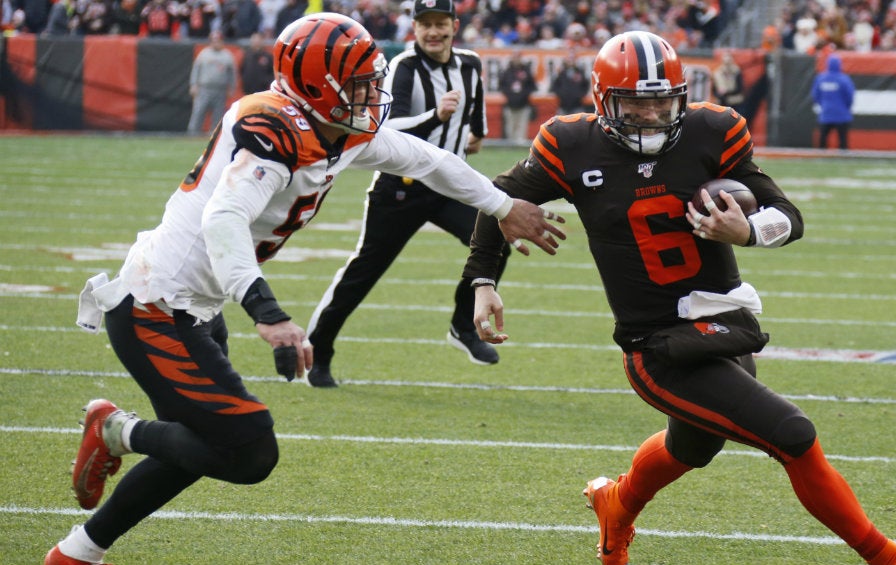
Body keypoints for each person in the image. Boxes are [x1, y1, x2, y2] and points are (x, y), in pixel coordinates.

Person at [44, 13, 563, 565]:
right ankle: (116, 429)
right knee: (247, 450)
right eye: (360, 83)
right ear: (319, 86)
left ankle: (78, 553)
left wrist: (503, 206)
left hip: (195, 303)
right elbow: (222, 220)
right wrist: (268, 313)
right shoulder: (274, 129)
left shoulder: (338, 126)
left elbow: (429, 160)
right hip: (156, 304)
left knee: (201, 443)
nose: (373, 93)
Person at [462, 31, 896, 565]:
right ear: (604, 101)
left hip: (724, 321)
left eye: (661, 102)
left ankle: (615, 504)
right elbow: (499, 201)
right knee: (793, 434)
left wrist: (747, 231)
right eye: (635, 104)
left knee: (692, 447)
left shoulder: (711, 130)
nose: (650, 116)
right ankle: (890, 559)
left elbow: (788, 216)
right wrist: (483, 282)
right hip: (656, 344)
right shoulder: (571, 144)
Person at [305, 0, 508, 388]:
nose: (433, 31)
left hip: (449, 186)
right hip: (401, 187)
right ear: (413, 29)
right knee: (363, 273)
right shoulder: (405, 67)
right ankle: (319, 350)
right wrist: (436, 117)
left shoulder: (470, 65)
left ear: (455, 25)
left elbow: (477, 133)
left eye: (440, 23)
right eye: (425, 24)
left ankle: (462, 326)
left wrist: (461, 141)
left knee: (494, 240)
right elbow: (386, 129)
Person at [186, 29, 237, 135]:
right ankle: (192, 133)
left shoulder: (227, 55)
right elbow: (196, 70)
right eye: (213, 40)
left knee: (218, 115)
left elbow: (232, 74)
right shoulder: (204, 54)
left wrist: (231, 88)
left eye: (218, 40)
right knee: (198, 111)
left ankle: (215, 136)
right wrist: (193, 85)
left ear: (222, 41)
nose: (215, 43)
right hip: (204, 88)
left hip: (220, 89)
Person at [812, 53, 855, 150]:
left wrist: (823, 105)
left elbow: (815, 95)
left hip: (826, 114)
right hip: (842, 114)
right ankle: (843, 158)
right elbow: (850, 96)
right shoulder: (844, 79)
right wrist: (846, 107)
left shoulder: (821, 79)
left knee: (823, 139)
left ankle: (821, 158)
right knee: (843, 140)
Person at [498, 49, 537, 142]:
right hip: (510, 104)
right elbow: (502, 86)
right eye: (514, 57)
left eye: (518, 57)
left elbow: (532, 86)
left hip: (524, 104)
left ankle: (520, 148)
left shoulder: (526, 71)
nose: (516, 59)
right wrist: (510, 95)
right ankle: (511, 147)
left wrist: (523, 95)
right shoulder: (507, 71)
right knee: (510, 128)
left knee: (522, 129)